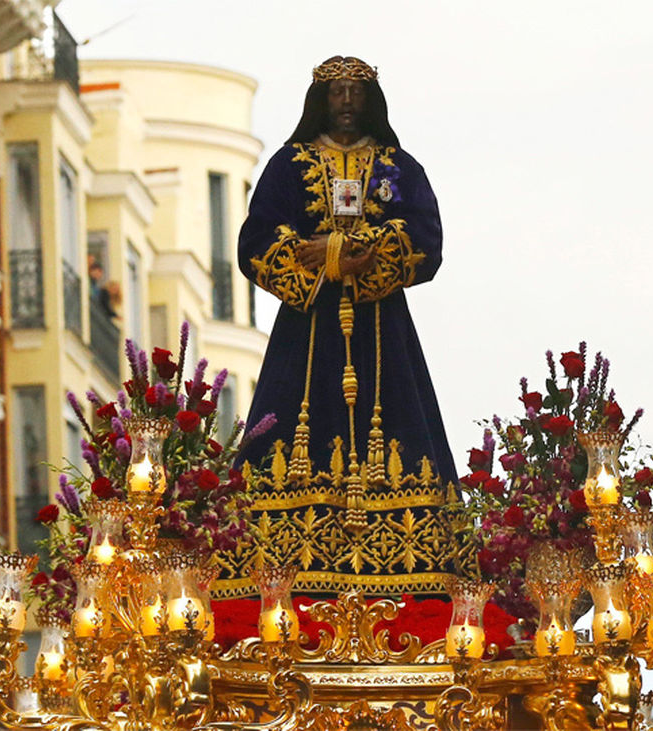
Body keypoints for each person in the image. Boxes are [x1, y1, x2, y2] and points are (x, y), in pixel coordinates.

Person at [218, 57, 457, 600]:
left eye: (355, 91)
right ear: (320, 101)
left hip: (382, 329)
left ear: (370, 99)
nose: (347, 101)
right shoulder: (288, 164)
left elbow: (428, 239)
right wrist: (325, 261)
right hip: (308, 330)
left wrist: (371, 258)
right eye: (336, 92)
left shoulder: (399, 167)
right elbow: (254, 243)